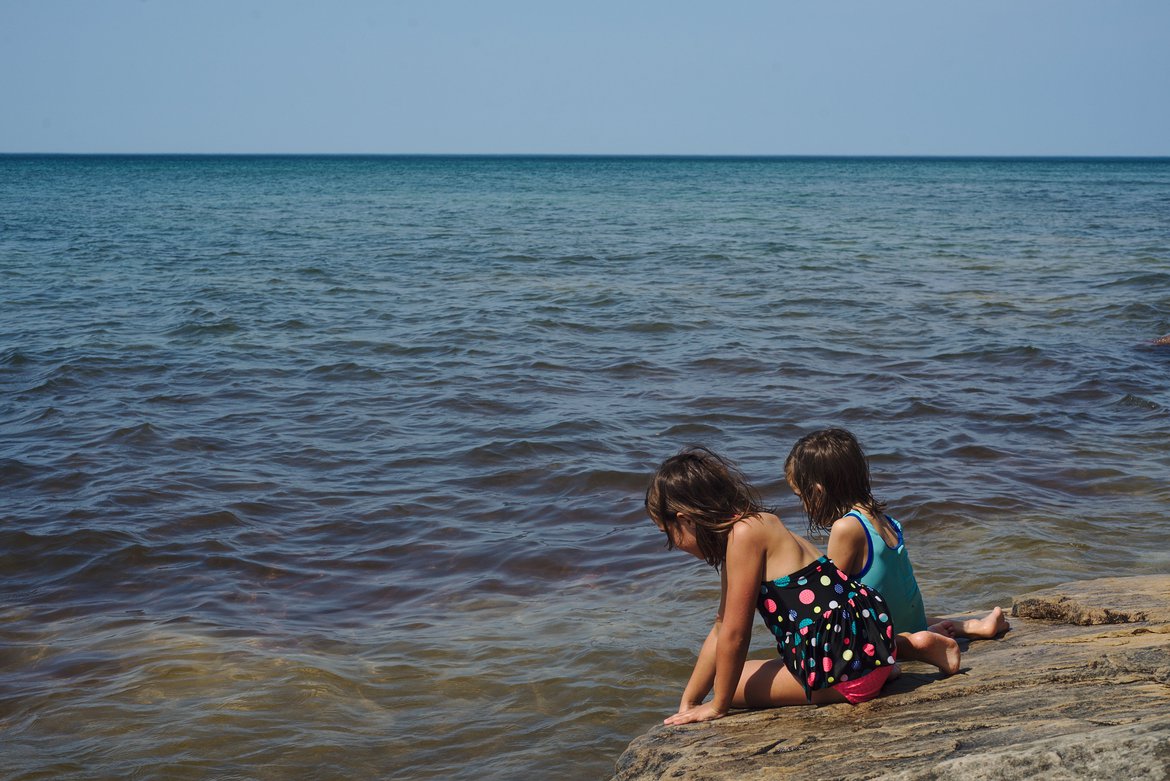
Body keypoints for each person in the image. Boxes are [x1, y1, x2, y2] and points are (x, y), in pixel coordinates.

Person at [645, 446, 957, 726]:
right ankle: (899, 654)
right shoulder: (760, 524)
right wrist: (688, 702)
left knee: (734, 686)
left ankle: (869, 676)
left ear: (685, 519)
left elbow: (734, 634)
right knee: (729, 676)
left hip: (849, 674)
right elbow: (721, 626)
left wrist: (717, 705)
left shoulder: (742, 538)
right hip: (871, 647)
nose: (673, 544)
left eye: (667, 533)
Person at [784, 428, 1010, 643]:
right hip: (913, 623)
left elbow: (831, 598)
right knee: (903, 619)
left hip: (888, 635)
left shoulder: (846, 528)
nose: (803, 505)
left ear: (818, 491)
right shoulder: (883, 518)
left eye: (800, 495)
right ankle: (970, 626)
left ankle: (914, 642)